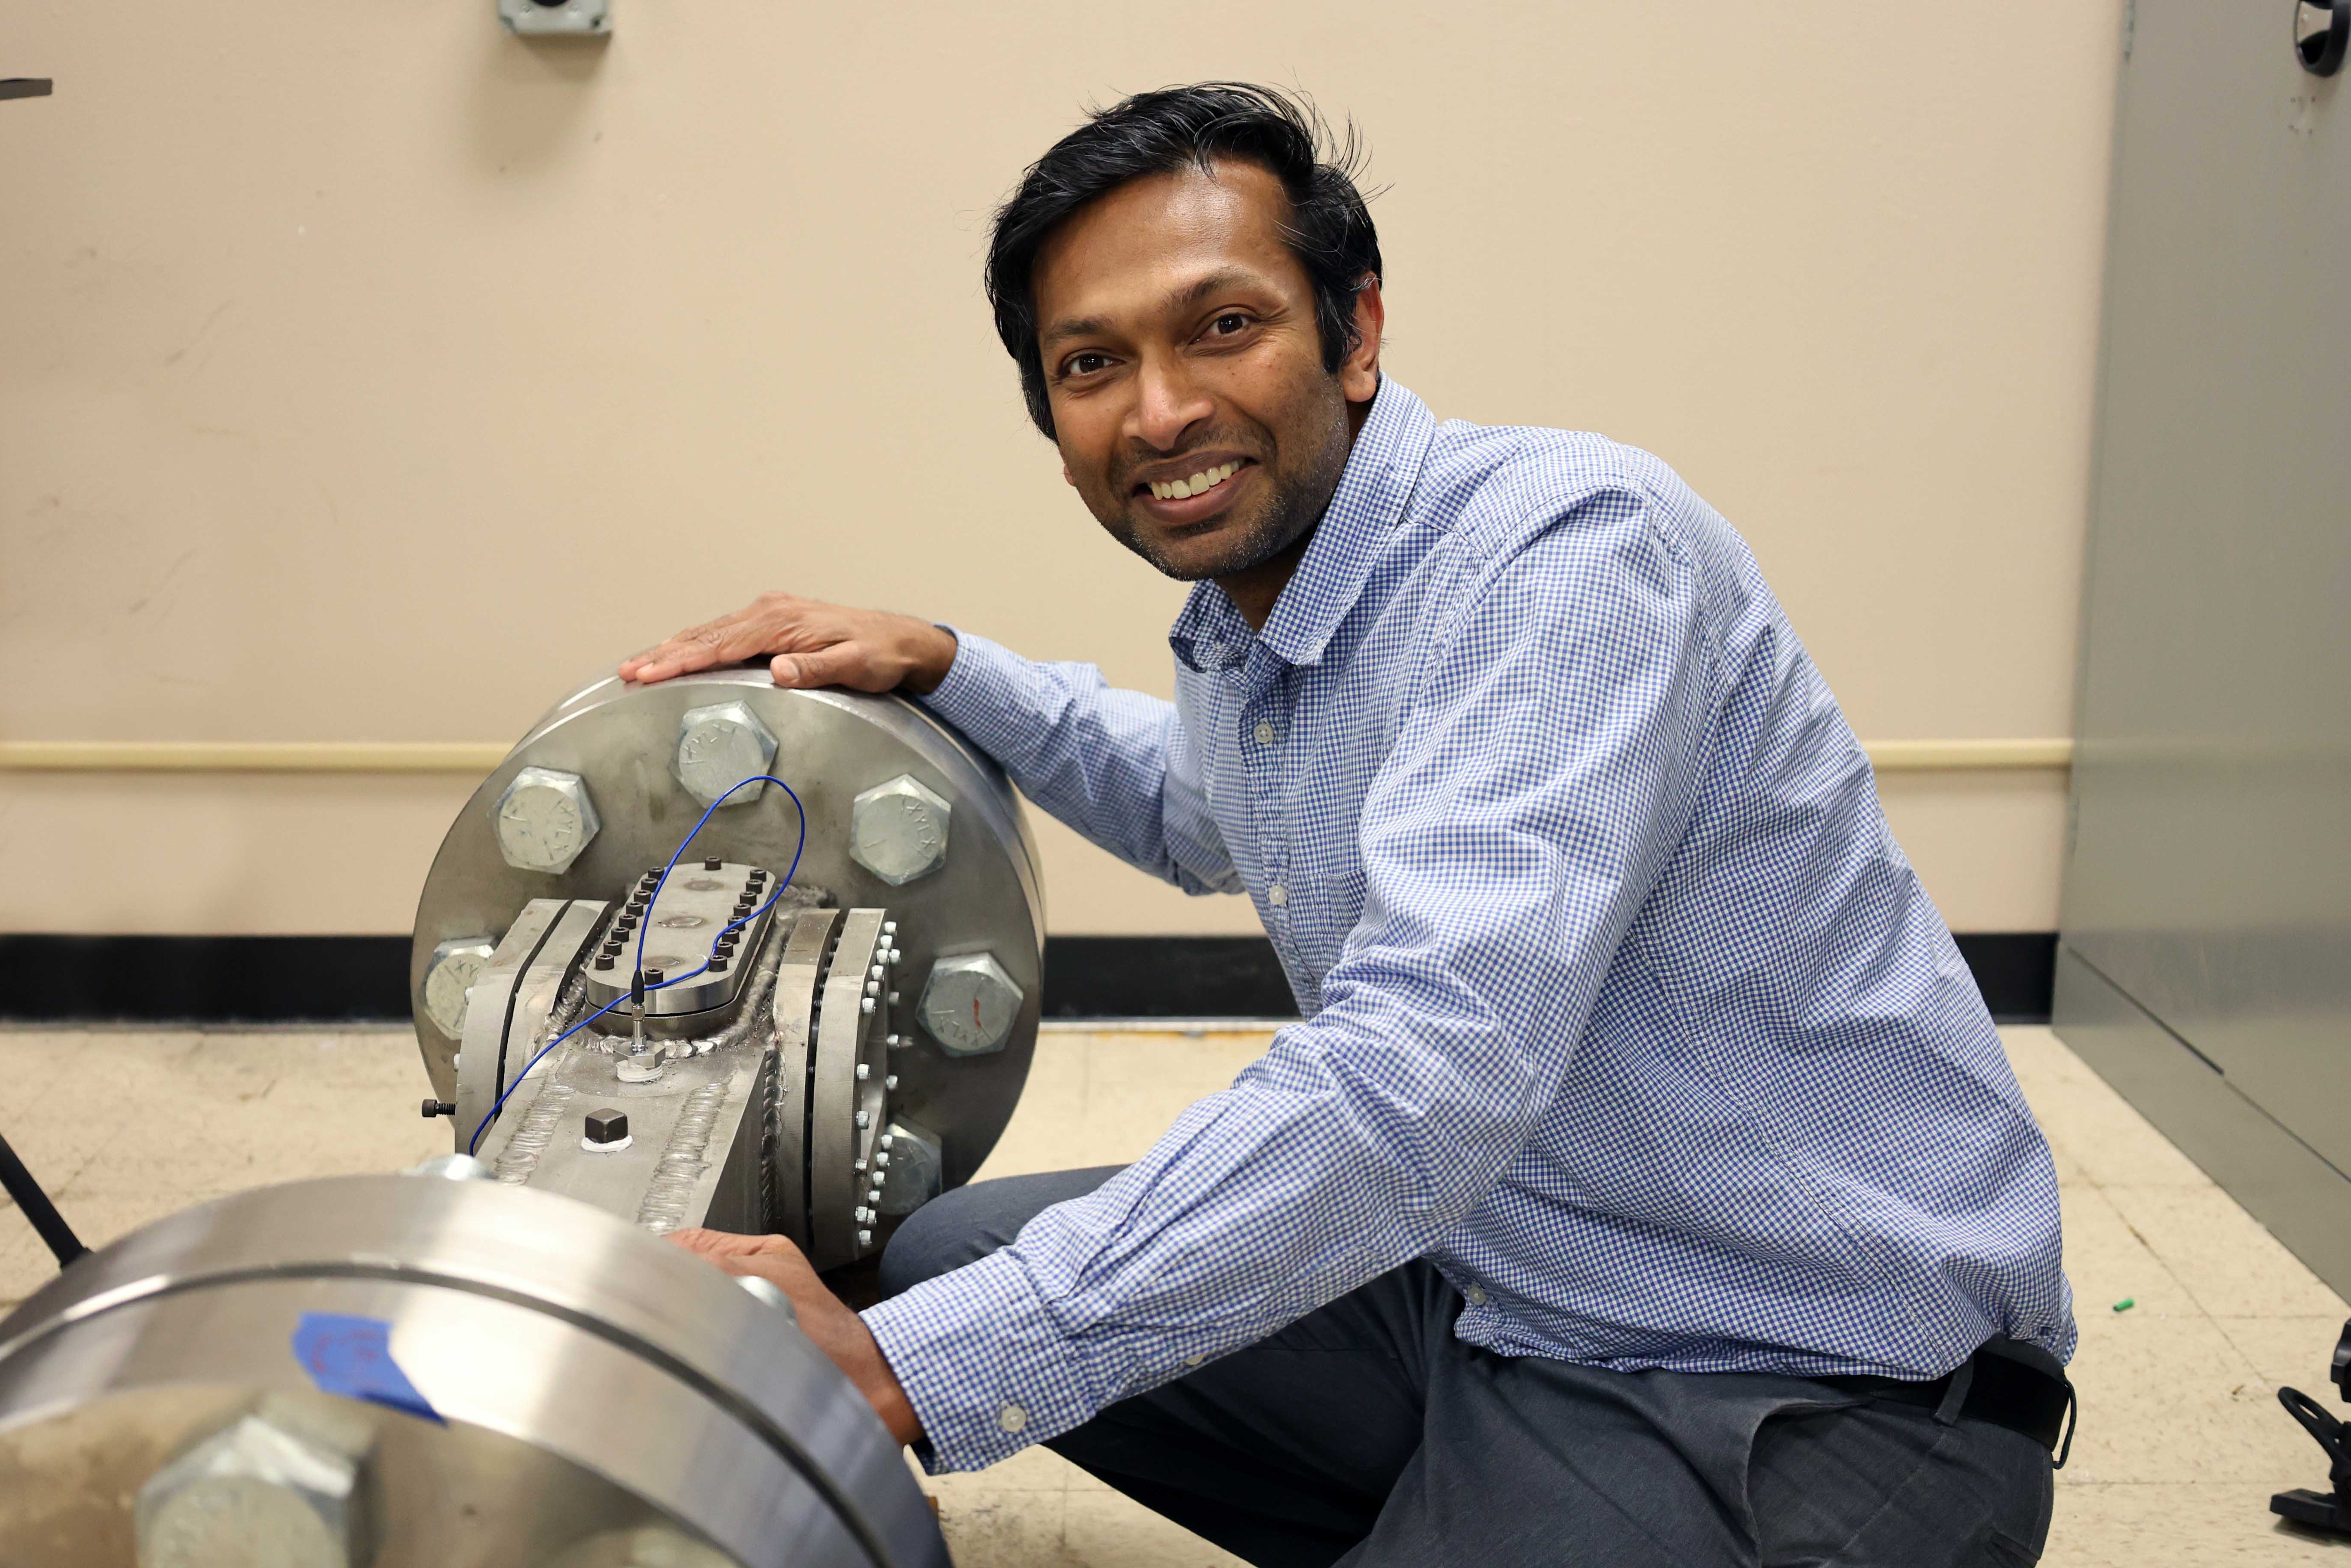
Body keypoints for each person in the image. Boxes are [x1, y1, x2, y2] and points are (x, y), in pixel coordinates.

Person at [630, 83, 2075, 1568]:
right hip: (1504, 1281)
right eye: (1091, 363)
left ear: (1357, 329)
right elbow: (1206, 813)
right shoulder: (1267, 615)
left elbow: (1424, 1074)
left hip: (1794, 1375)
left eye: (1223, 325)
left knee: (965, 1325)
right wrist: (946, 661)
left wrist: (918, 1372)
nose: (1162, 410)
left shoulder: (1566, 555)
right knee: (952, 1262)